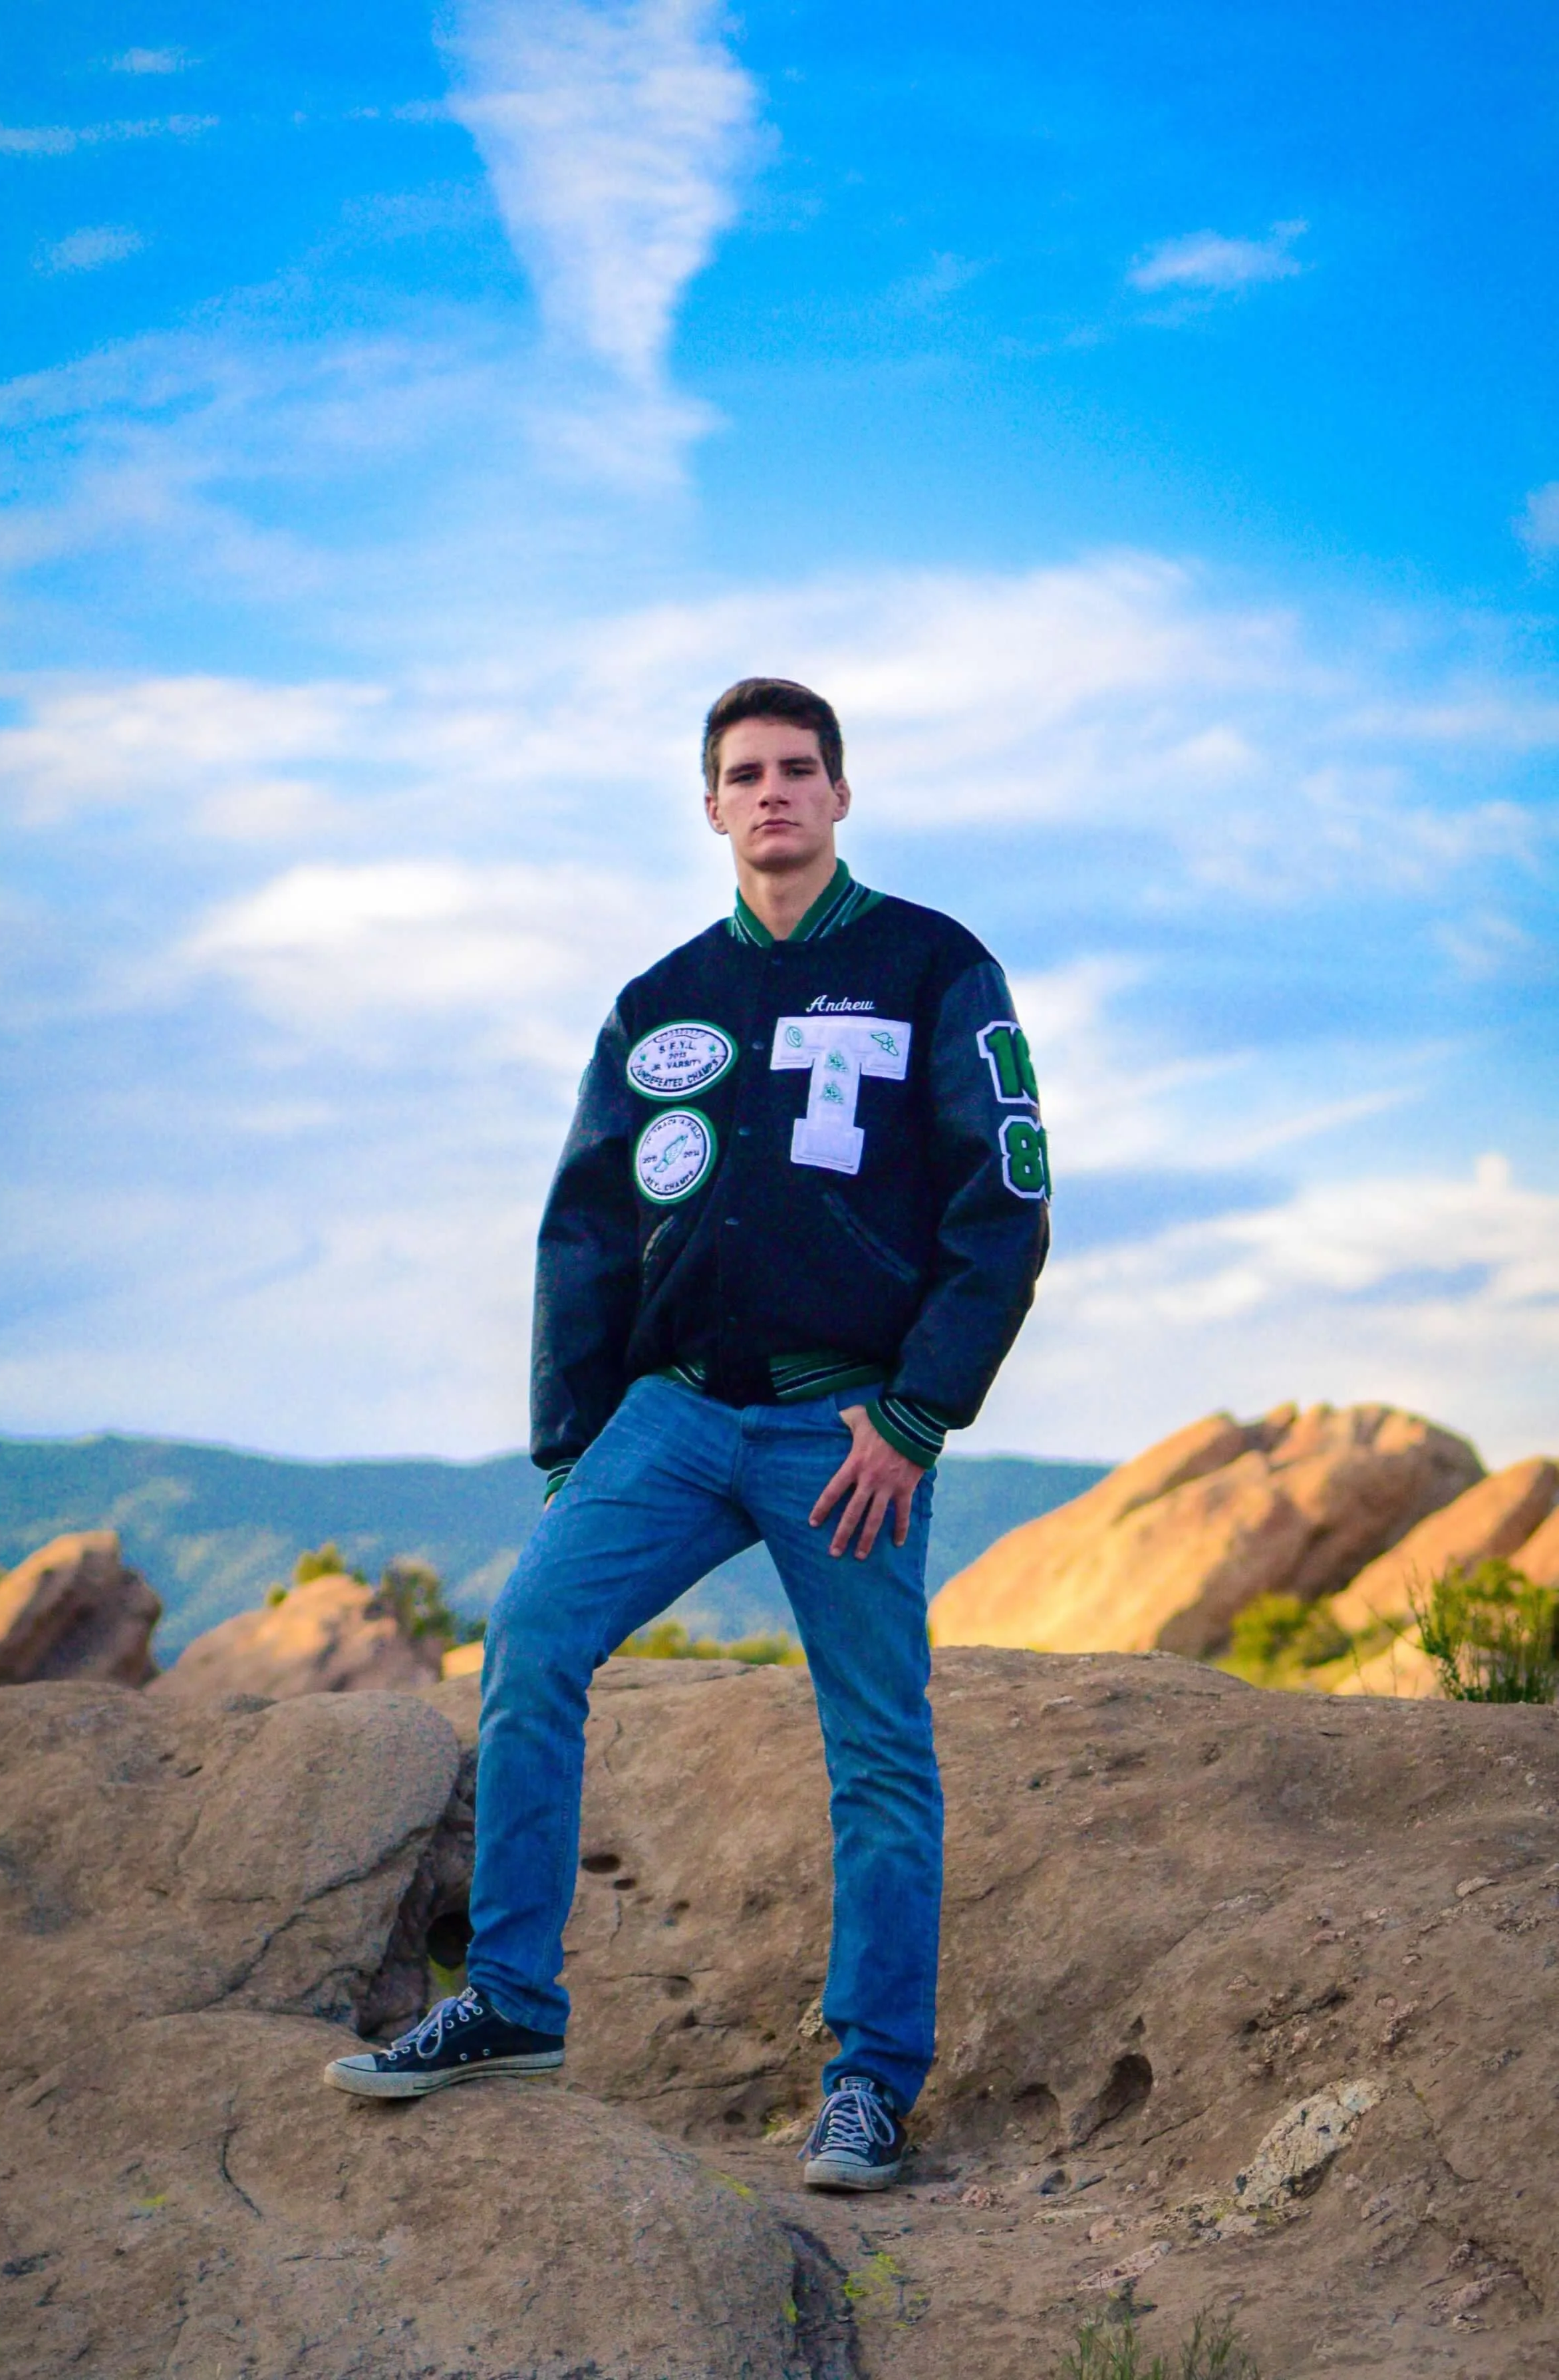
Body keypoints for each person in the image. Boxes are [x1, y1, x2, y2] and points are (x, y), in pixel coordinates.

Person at [326, 677, 1051, 2190]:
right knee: (529, 1635)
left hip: (844, 1428)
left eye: (798, 770)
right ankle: (512, 2001)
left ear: (840, 796)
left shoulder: (933, 964)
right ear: (710, 807)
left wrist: (915, 1415)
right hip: (672, 1412)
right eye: (744, 774)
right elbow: (585, 1224)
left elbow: (1008, 1196)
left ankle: (867, 2085)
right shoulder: (658, 1000)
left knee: (876, 1751)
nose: (772, 794)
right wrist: (567, 1441)